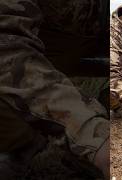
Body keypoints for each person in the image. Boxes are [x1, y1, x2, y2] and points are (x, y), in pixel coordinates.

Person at [0, 0, 109, 178]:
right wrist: (92, 131)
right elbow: (6, 49)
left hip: (71, 54)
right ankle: (24, 152)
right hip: (22, 69)